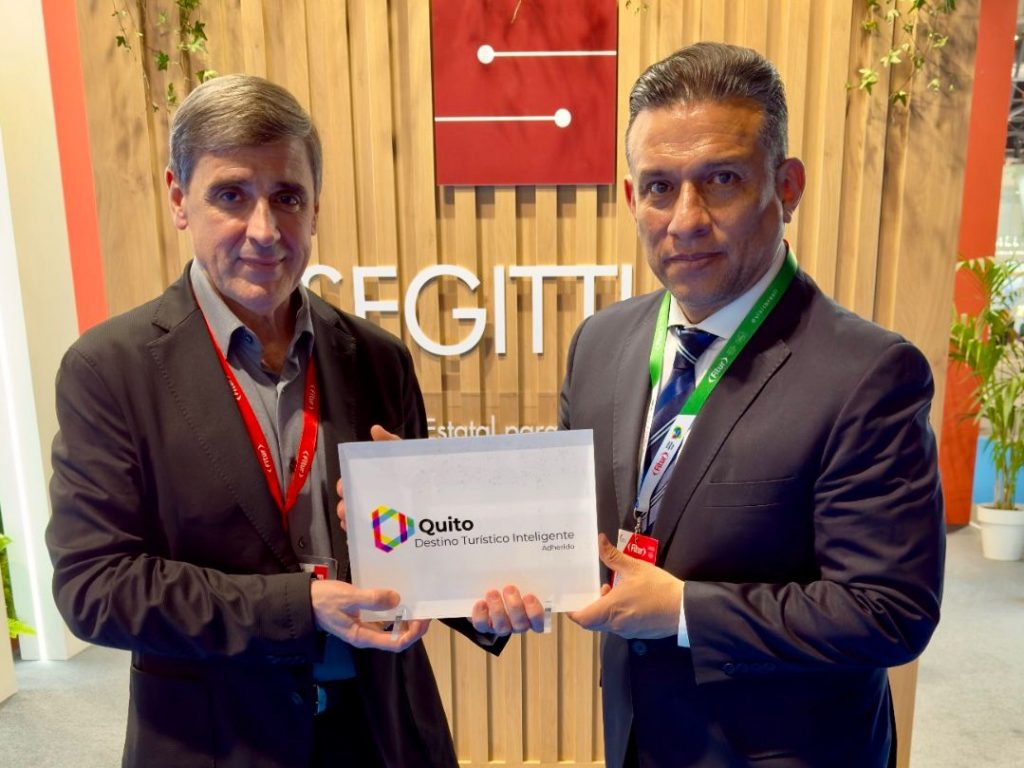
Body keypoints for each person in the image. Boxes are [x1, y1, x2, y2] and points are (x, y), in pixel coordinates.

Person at [46, 74, 484, 768]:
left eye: (287, 197)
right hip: (215, 740)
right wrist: (299, 606)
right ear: (178, 197)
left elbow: (418, 543)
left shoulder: (378, 359)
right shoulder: (110, 370)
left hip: (381, 734)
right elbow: (95, 587)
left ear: (315, 206)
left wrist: (489, 587)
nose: (265, 230)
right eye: (231, 195)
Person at [564, 42, 945, 767]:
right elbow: (577, 530)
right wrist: (447, 517)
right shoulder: (600, 343)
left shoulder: (868, 374)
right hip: (639, 741)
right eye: (660, 187)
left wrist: (683, 610)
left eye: (722, 180)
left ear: (787, 186)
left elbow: (889, 611)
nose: (686, 219)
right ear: (632, 199)